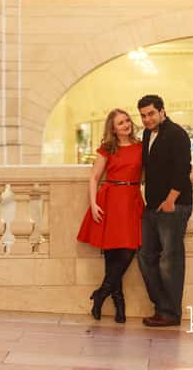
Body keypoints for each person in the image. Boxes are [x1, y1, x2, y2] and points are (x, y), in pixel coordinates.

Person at [76, 108, 143, 323]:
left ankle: (101, 293)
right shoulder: (107, 149)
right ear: (113, 129)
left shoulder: (141, 147)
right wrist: (94, 204)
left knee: (129, 251)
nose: (126, 125)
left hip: (131, 199)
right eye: (120, 123)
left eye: (127, 121)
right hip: (111, 199)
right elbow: (94, 177)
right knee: (113, 253)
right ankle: (119, 304)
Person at [136, 94, 192, 327]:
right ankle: (162, 307)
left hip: (173, 206)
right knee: (145, 256)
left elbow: (183, 169)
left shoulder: (177, 134)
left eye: (150, 114)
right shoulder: (148, 133)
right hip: (152, 206)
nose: (147, 119)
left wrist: (170, 200)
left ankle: (170, 313)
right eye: (143, 115)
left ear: (162, 111)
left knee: (169, 260)